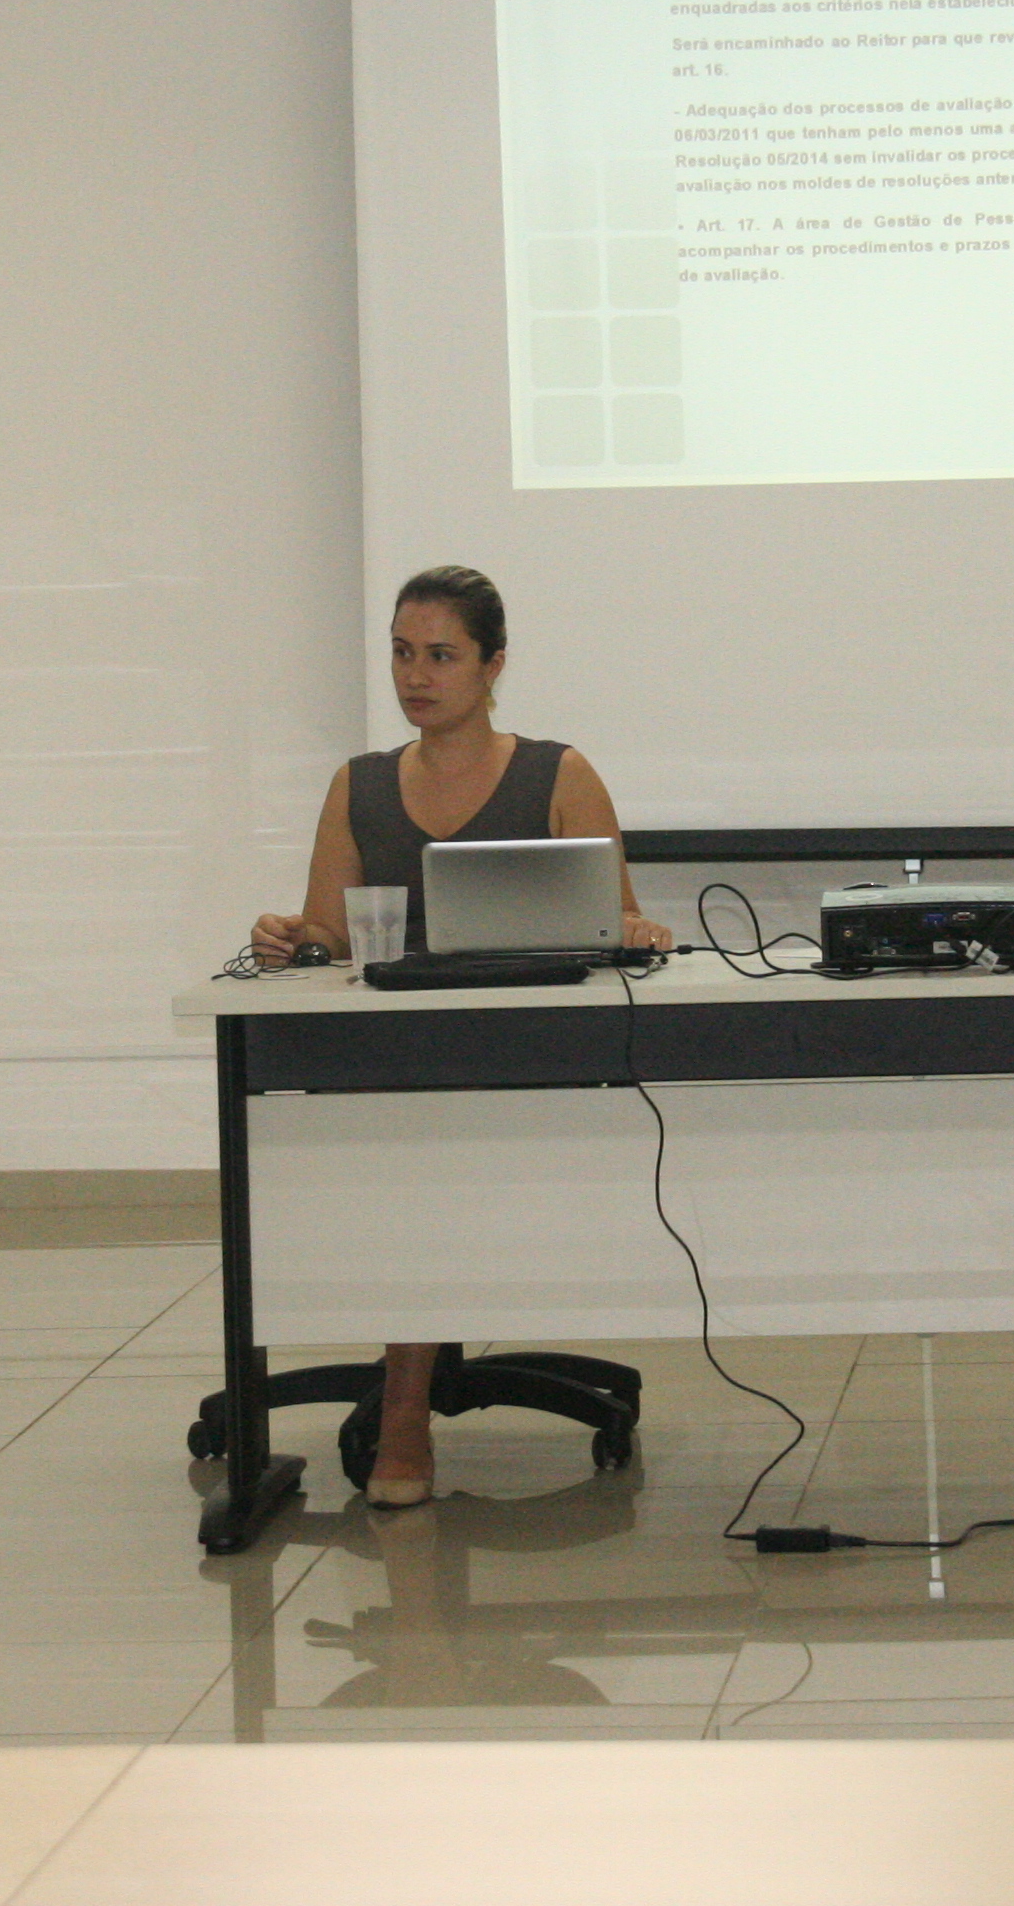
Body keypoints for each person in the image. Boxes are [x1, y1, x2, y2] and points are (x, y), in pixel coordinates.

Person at [250, 564, 671, 1508]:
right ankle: (406, 1399)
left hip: (524, 1055)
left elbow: (619, 919)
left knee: (421, 1156)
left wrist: (636, 930)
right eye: (402, 653)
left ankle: (405, 1407)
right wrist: (288, 938)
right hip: (392, 1057)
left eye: (442, 655)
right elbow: (328, 935)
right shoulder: (359, 785)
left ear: (494, 665)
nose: (416, 675)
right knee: (405, 1147)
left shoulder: (557, 773)